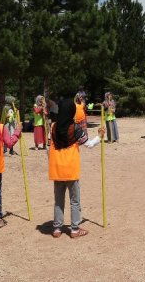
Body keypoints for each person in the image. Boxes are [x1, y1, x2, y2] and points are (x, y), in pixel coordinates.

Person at [49, 98, 102, 238]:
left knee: (58, 200)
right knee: (74, 200)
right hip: (71, 168)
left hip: (57, 169)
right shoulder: (76, 128)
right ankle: (74, 229)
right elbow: (88, 144)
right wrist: (100, 137)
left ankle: (57, 228)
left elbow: (49, 149)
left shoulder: (53, 127)